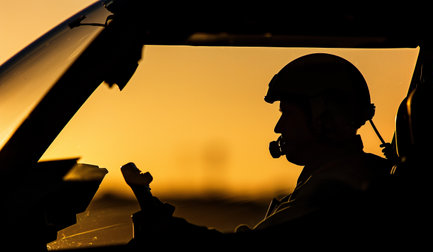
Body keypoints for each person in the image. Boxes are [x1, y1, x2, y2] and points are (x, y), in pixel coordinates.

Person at [121, 53, 392, 249]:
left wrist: (164, 229)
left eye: (286, 112)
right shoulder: (343, 178)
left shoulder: (337, 192)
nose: (278, 126)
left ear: (324, 115)